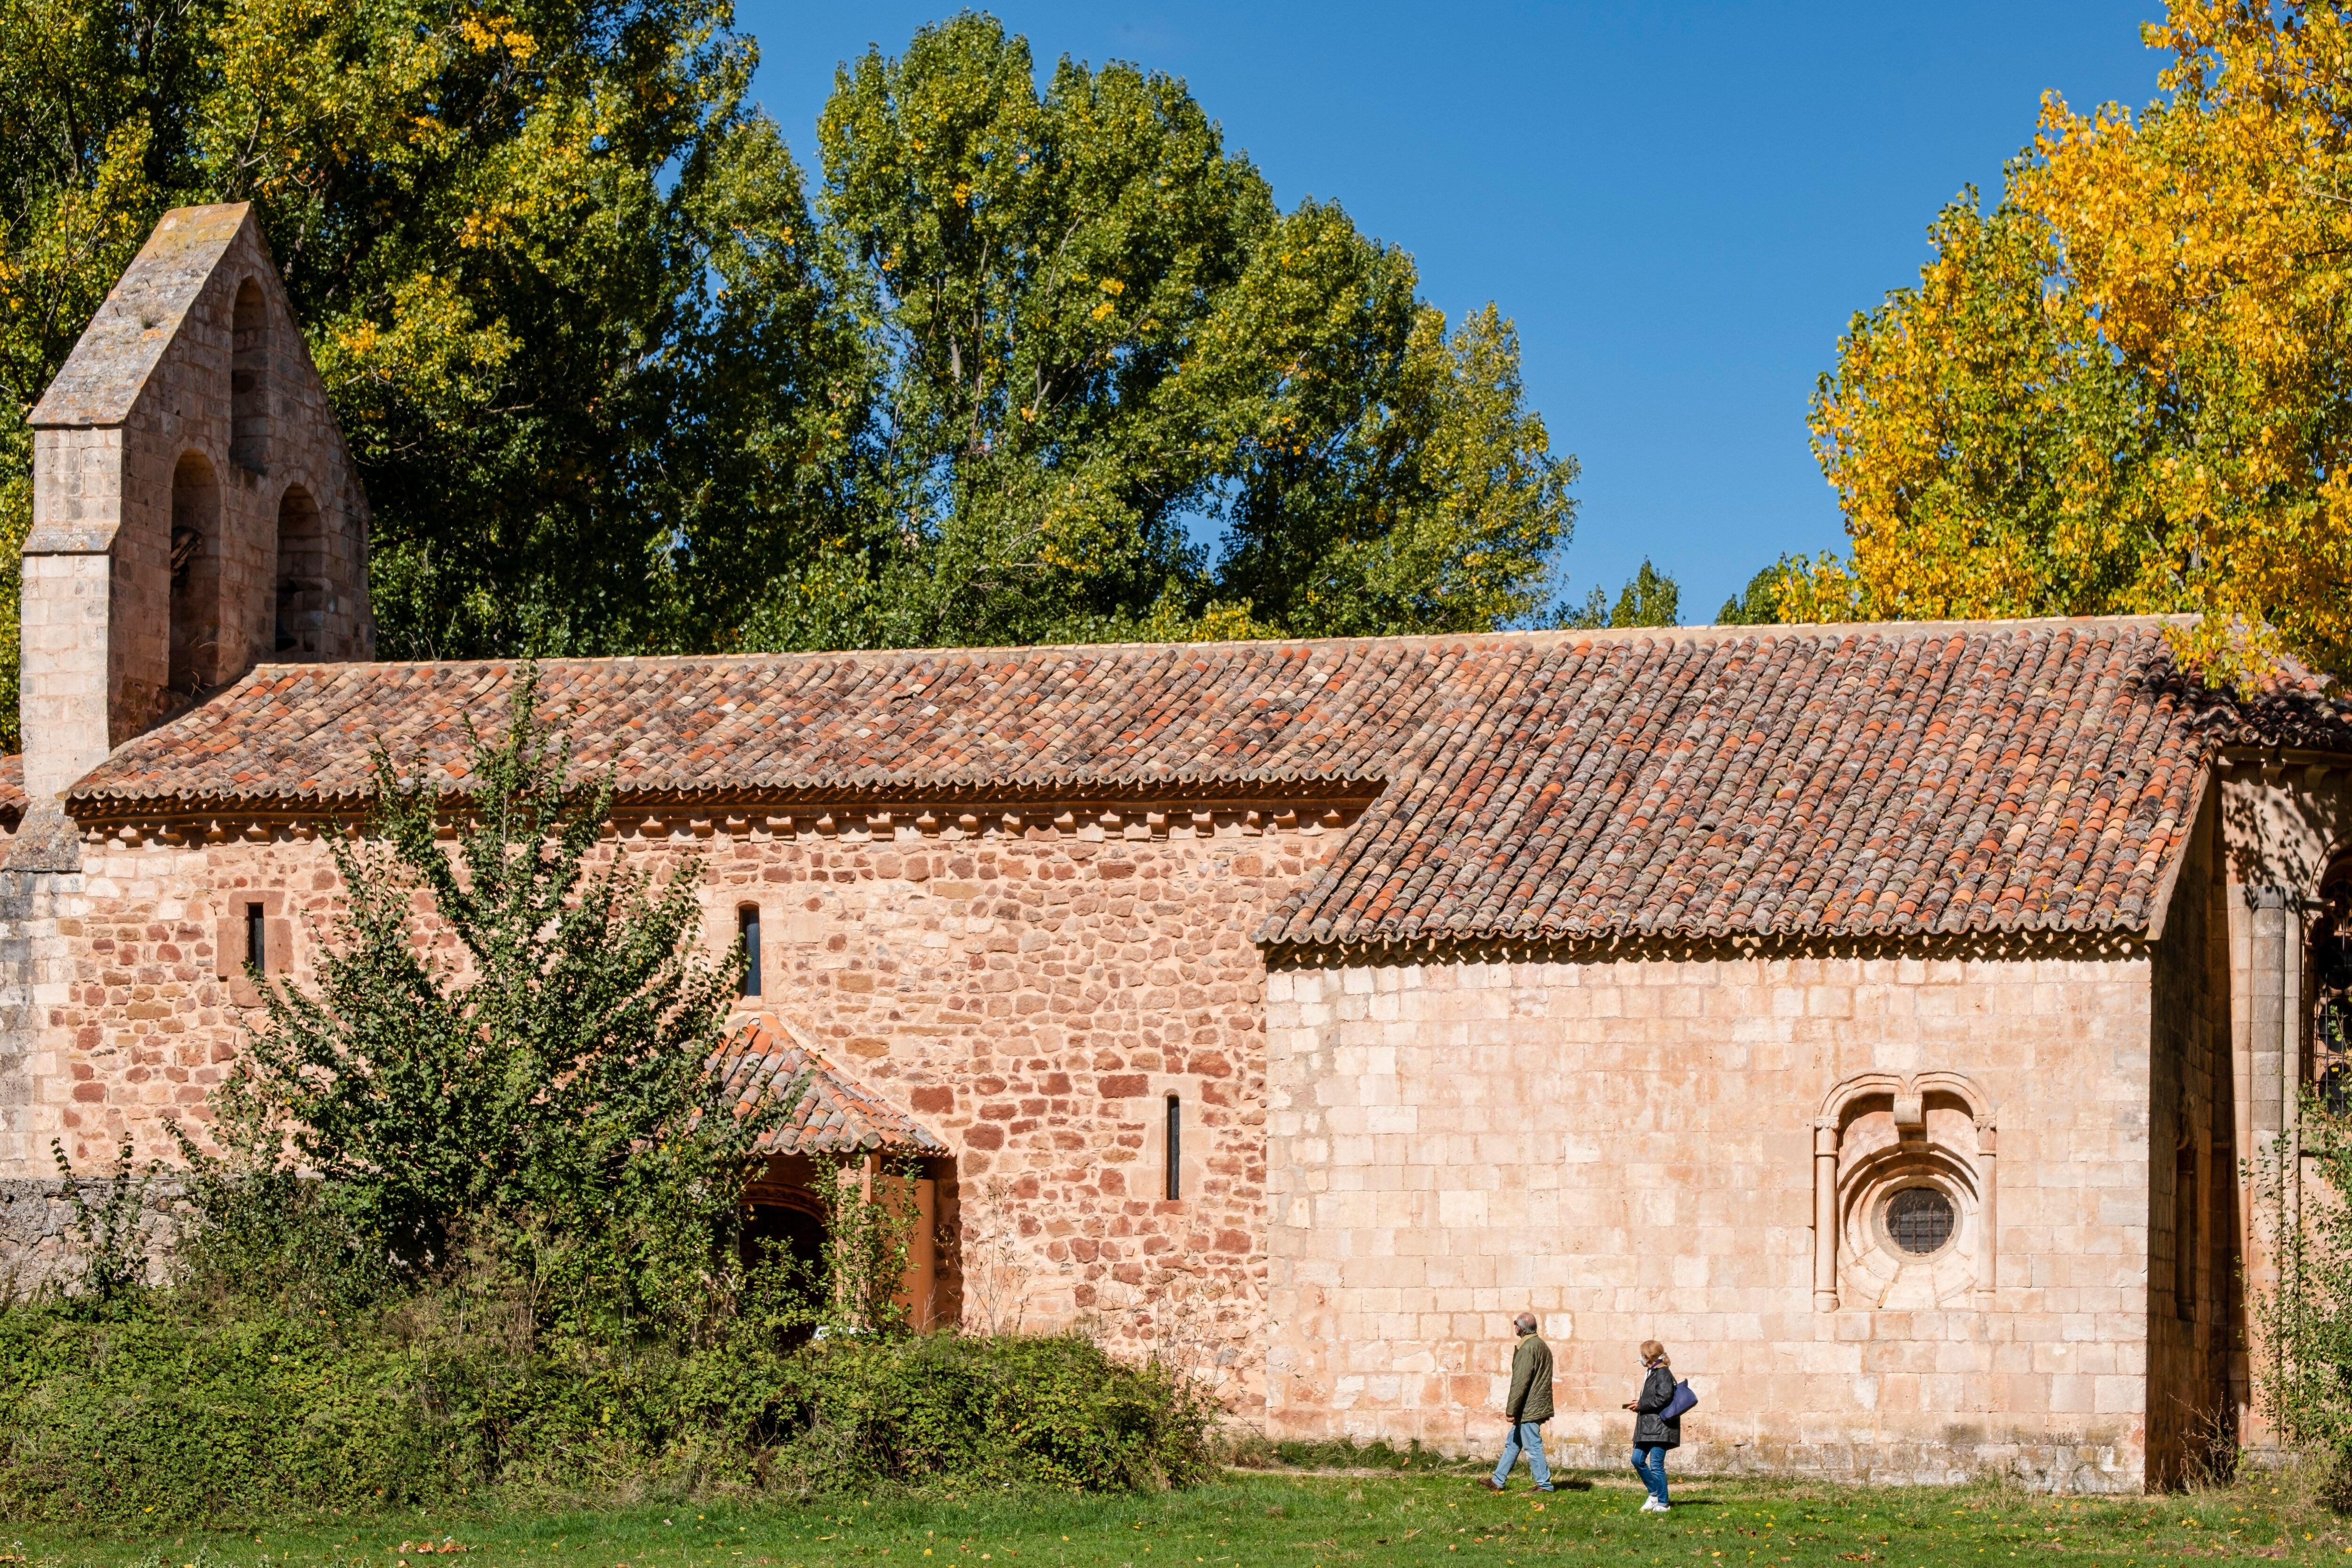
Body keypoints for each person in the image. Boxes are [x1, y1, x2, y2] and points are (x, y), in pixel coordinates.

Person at [1482, 1312, 1555, 1492]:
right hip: (1531, 1404)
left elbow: (1520, 1381)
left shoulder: (1528, 1348)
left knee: (1532, 1446)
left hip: (1529, 1406)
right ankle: (1498, 1481)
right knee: (1513, 1443)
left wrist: (1511, 1410)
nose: (1514, 1327)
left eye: (1516, 1324)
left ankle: (1545, 1485)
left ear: (1520, 1328)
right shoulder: (1541, 1345)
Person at [1621, 1340, 1678, 1512]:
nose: (1641, 1358)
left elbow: (1663, 1398)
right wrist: (1639, 1404)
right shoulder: (1652, 1372)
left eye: (1642, 1355)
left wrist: (1641, 1405)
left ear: (1647, 1357)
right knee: (1637, 1459)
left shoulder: (1663, 1373)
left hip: (1660, 1427)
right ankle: (1654, 1494)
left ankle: (1663, 1503)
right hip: (1647, 1427)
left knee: (1656, 1464)